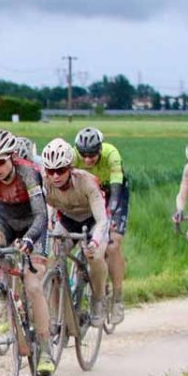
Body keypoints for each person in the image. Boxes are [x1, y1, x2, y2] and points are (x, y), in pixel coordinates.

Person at [0, 129, 54, 376]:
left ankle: (44, 349)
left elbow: (41, 215)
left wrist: (30, 239)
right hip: (5, 218)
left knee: (32, 286)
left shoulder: (28, 173)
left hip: (33, 223)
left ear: (12, 158)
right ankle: (1, 296)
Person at [40, 138, 110, 321]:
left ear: (70, 168)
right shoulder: (44, 184)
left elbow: (102, 220)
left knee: (95, 256)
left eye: (61, 170)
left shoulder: (86, 182)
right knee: (52, 261)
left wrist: (94, 241)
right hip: (68, 220)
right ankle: (57, 315)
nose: (55, 176)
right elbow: (43, 212)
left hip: (93, 220)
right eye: (50, 171)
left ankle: (98, 299)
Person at [73, 127, 129, 323]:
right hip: (87, 193)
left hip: (112, 191)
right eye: (84, 155)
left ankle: (118, 298)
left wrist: (111, 214)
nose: (87, 160)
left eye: (92, 155)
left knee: (113, 244)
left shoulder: (111, 154)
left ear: (100, 150)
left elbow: (116, 188)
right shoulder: (73, 156)